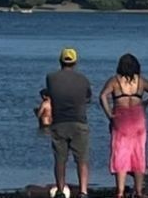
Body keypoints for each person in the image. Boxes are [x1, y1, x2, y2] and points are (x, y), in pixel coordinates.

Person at [100, 53, 148, 198]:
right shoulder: (141, 81)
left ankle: (120, 191)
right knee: (138, 153)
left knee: (120, 153)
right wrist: (145, 103)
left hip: (121, 119)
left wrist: (109, 114)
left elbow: (103, 96)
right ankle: (139, 191)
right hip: (138, 118)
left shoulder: (115, 81)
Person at [46, 47, 92, 198]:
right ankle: (83, 191)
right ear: (75, 62)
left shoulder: (51, 78)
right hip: (79, 121)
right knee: (82, 159)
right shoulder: (83, 79)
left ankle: (60, 189)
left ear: (60, 61)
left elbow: (50, 93)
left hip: (59, 122)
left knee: (60, 159)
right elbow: (88, 98)